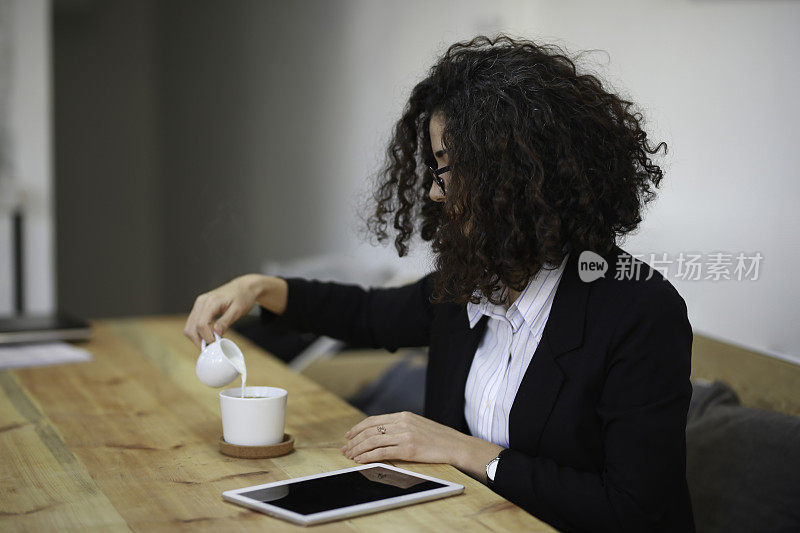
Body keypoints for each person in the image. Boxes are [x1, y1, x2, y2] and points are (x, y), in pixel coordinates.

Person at [184, 35, 694, 532]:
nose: (432, 192)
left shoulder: (639, 312)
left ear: (514, 173)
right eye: (433, 170)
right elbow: (367, 314)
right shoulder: (473, 282)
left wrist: (460, 449)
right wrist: (258, 288)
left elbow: (631, 511)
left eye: (445, 170)